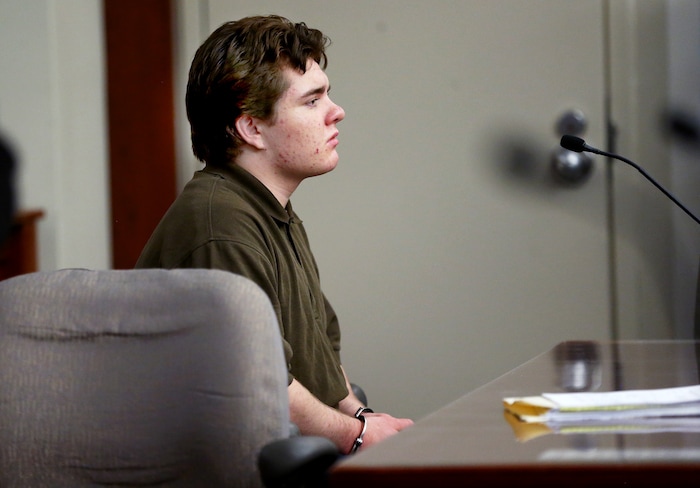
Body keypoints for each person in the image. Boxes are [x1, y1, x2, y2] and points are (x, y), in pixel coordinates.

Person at [136, 15, 412, 454]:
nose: (336, 111)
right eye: (312, 101)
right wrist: (356, 436)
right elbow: (263, 383)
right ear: (250, 128)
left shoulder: (269, 209)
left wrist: (361, 416)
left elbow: (319, 354)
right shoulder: (221, 226)